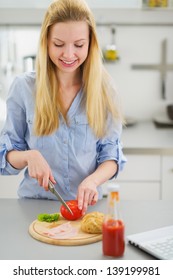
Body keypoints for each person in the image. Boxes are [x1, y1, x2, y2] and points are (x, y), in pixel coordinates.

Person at [0, 0, 126, 214]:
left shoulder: (104, 89)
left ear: (90, 44)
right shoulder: (23, 88)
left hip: (88, 209)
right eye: (59, 44)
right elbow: (5, 155)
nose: (68, 55)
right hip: (35, 208)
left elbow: (111, 156)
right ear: (46, 43)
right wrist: (28, 156)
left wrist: (93, 181)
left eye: (78, 45)